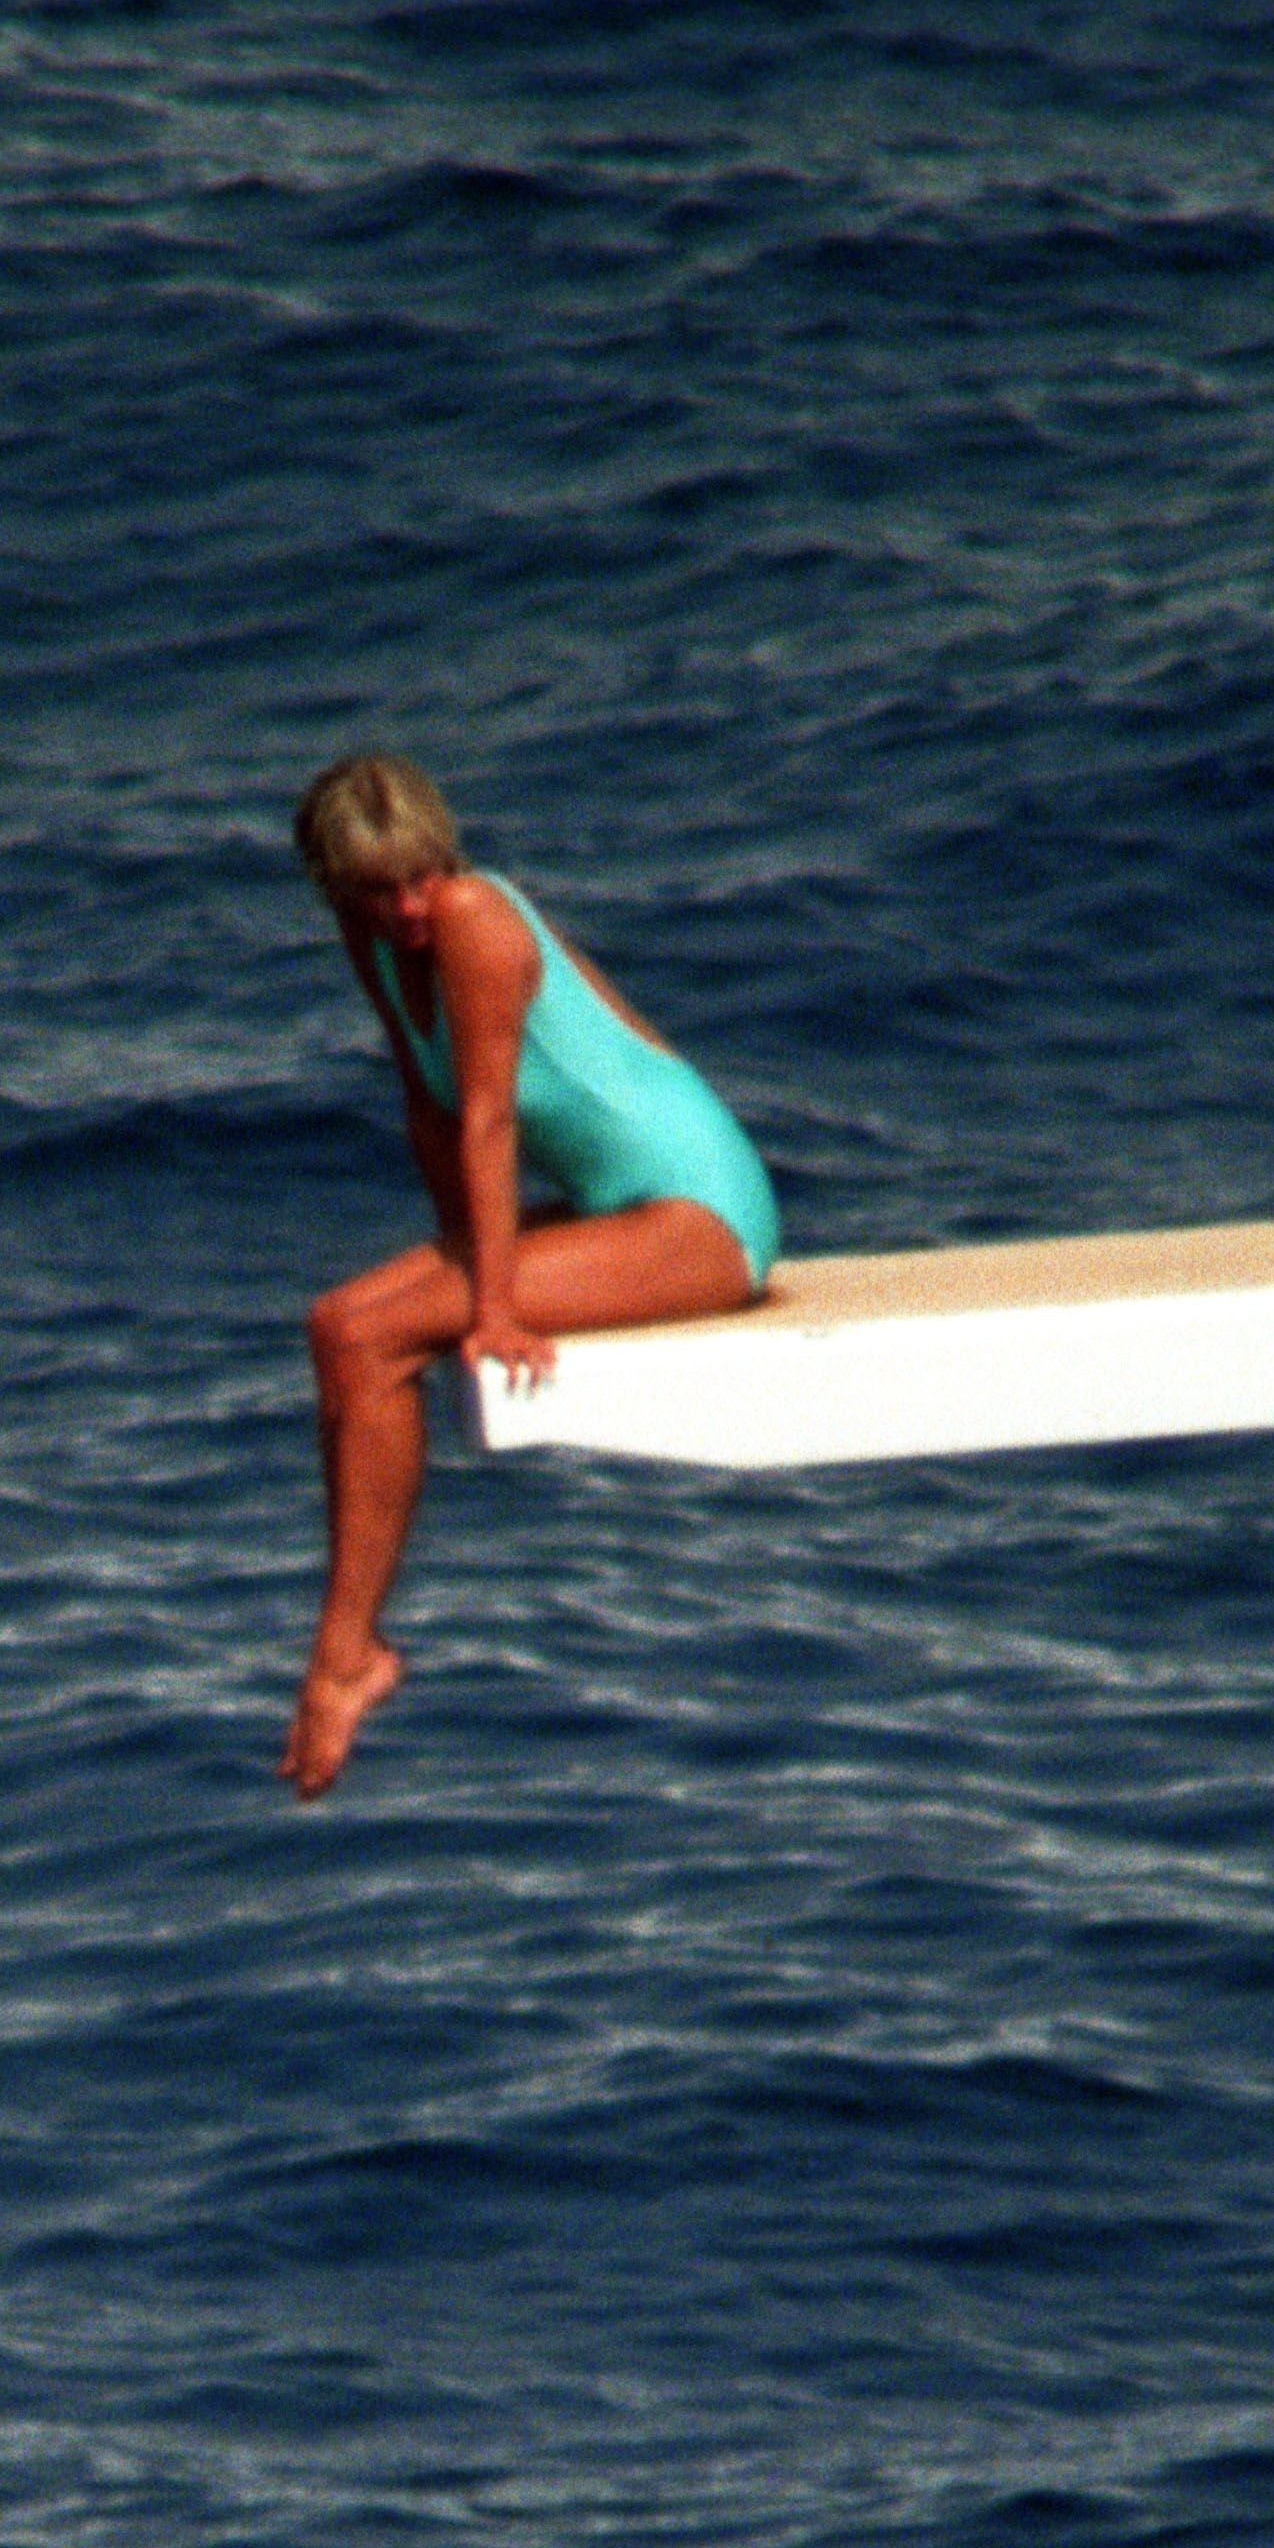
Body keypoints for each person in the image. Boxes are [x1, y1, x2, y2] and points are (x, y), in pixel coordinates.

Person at [278, 753, 781, 1797]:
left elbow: (488, 1116)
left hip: (701, 1213)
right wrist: (455, 1254)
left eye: (420, 875)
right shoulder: (371, 938)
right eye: (380, 887)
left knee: (374, 1337)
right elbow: (425, 1107)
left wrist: (490, 1308)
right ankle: (342, 1649)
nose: (409, 905)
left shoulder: (467, 915)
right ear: (339, 889)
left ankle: (343, 1660)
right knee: (337, 1324)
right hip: (619, 1208)